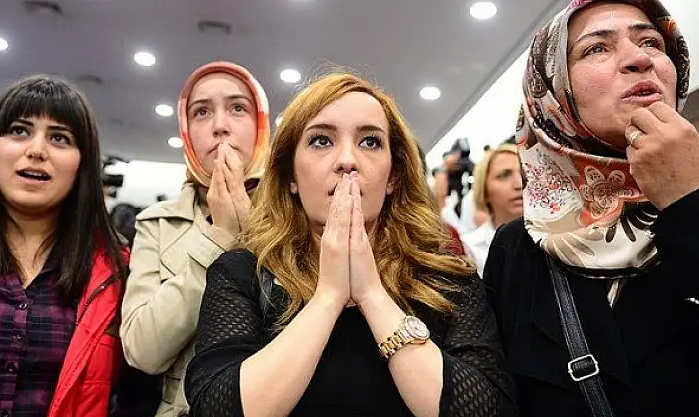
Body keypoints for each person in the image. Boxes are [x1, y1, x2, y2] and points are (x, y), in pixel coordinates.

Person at [185, 72, 516, 416]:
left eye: (370, 142)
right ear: (290, 176)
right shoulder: (243, 273)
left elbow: (491, 409)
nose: (348, 160)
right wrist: (329, 296)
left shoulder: (447, 277)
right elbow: (215, 408)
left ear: (393, 176)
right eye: (321, 141)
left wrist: (371, 294)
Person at [484, 1, 699, 416]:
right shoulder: (517, 249)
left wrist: (689, 200)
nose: (639, 59)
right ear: (553, 94)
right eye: (597, 48)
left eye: (652, 42)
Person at [0, 75, 127, 416]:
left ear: (82, 163)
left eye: (59, 137)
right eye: (19, 130)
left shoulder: (114, 269)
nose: (36, 150)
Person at [119, 61, 270, 416]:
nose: (220, 125)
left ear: (260, 125)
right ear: (186, 132)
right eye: (201, 112)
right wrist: (218, 238)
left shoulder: (295, 214)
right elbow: (142, 351)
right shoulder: (157, 223)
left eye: (238, 108)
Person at [462, 144, 523, 276]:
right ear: (484, 189)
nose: (519, 184)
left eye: (524, 173)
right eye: (504, 175)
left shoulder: (554, 241)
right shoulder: (468, 248)